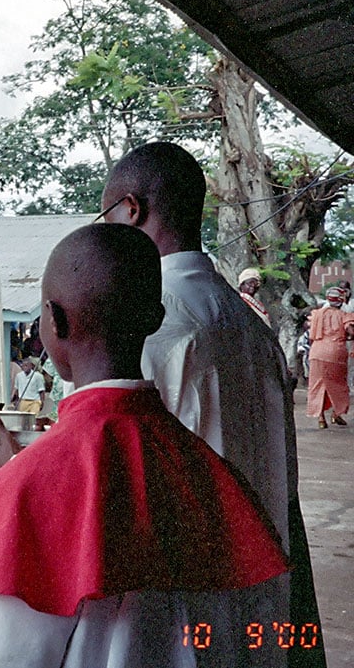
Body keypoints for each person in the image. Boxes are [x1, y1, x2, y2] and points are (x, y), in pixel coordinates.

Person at [0, 224, 289, 667]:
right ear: (155, 316)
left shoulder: (14, 500)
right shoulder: (214, 475)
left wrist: (21, 479)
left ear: (54, 322)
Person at [102, 141, 325, 667]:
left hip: (188, 596)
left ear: (132, 209)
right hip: (264, 589)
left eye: (106, 214)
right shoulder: (250, 326)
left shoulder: (157, 325)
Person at [306, 287, 354, 428]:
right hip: (335, 354)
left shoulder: (316, 314)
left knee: (317, 385)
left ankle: (321, 418)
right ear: (340, 301)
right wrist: (349, 337)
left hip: (316, 353)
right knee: (338, 385)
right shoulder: (345, 315)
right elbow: (350, 330)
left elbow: (310, 334)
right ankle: (336, 414)